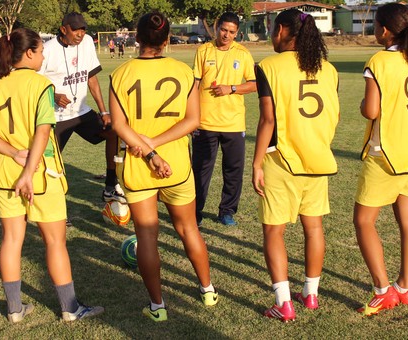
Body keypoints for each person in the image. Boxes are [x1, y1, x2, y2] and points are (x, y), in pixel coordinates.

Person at [0, 28, 105, 324]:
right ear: (30, 53)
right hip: (40, 173)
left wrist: (12, 153)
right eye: (40, 50)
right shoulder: (41, 85)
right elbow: (43, 131)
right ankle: (70, 308)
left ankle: (14, 309)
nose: (44, 55)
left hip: (4, 173)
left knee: (11, 240)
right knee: (55, 242)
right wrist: (27, 171)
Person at [110, 11, 216, 322]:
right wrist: (158, 144)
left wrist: (149, 149)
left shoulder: (121, 74)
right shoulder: (184, 72)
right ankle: (207, 290)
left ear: (137, 37)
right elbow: (193, 120)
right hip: (178, 166)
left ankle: (158, 307)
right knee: (188, 229)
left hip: (139, 165)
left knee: (146, 236)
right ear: (167, 39)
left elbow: (119, 124)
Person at [353, 3, 408, 317]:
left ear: (385, 29)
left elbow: (372, 111)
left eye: (376, 25)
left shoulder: (379, 61)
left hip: (386, 156)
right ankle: (405, 288)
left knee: (364, 221)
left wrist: (364, 103)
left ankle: (383, 289)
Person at [252, 9, 339, 322]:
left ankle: (284, 303)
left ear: (281, 31)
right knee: (313, 228)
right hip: (317, 158)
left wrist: (257, 162)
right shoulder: (328, 69)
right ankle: (311, 294)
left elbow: (268, 119)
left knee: (274, 231)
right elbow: (335, 115)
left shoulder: (269, 66)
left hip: (281, 159)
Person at [39, 12, 125, 215]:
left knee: (113, 132)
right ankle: (53, 211)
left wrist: (103, 110)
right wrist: (53, 94)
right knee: (51, 163)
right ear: (63, 29)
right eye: (75, 29)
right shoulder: (48, 49)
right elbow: (35, 82)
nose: (80, 33)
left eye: (83, 29)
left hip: (82, 112)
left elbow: (91, 78)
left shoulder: (87, 42)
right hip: (56, 116)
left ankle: (110, 187)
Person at [192, 12, 257, 227]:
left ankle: (227, 211)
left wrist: (232, 88)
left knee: (233, 170)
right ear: (217, 27)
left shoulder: (243, 53)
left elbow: (254, 83)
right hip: (205, 122)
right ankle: (195, 212)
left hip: (233, 122)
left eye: (231, 32)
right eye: (223, 30)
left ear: (237, 33)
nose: (226, 35)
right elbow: (195, 84)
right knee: (201, 170)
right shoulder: (203, 51)